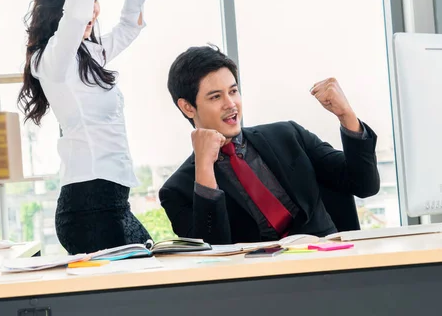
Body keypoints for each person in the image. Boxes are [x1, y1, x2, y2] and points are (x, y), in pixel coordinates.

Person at [17, 0, 151, 254]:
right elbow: (74, 15)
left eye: (96, 0)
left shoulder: (90, 54)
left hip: (115, 200)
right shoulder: (51, 61)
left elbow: (129, 27)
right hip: (87, 205)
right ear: (61, 6)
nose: (92, 10)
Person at [159, 46, 381, 245]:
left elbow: (364, 184)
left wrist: (346, 116)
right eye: (216, 97)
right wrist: (205, 167)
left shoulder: (288, 135)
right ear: (188, 107)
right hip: (259, 285)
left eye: (233, 91)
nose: (231, 104)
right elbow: (213, 251)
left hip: (328, 266)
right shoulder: (177, 190)